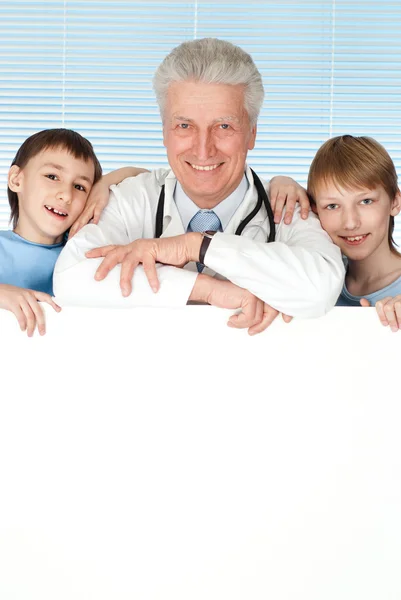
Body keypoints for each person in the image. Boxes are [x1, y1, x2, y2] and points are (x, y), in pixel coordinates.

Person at [53, 38, 344, 331]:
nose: (203, 150)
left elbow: (321, 289)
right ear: (164, 132)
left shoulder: (286, 206)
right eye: (184, 126)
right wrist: (205, 289)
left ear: (252, 134)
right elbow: (71, 276)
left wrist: (196, 246)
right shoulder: (132, 197)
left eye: (224, 126)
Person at [0, 128, 102, 336]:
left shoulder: (85, 254)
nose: (66, 195)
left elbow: (142, 176)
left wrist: (104, 186)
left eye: (80, 187)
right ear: (16, 180)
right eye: (52, 176)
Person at [307, 135, 401, 332]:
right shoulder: (315, 282)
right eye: (332, 206)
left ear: (395, 202)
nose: (350, 223)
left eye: (366, 201)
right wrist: (281, 184)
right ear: (315, 211)